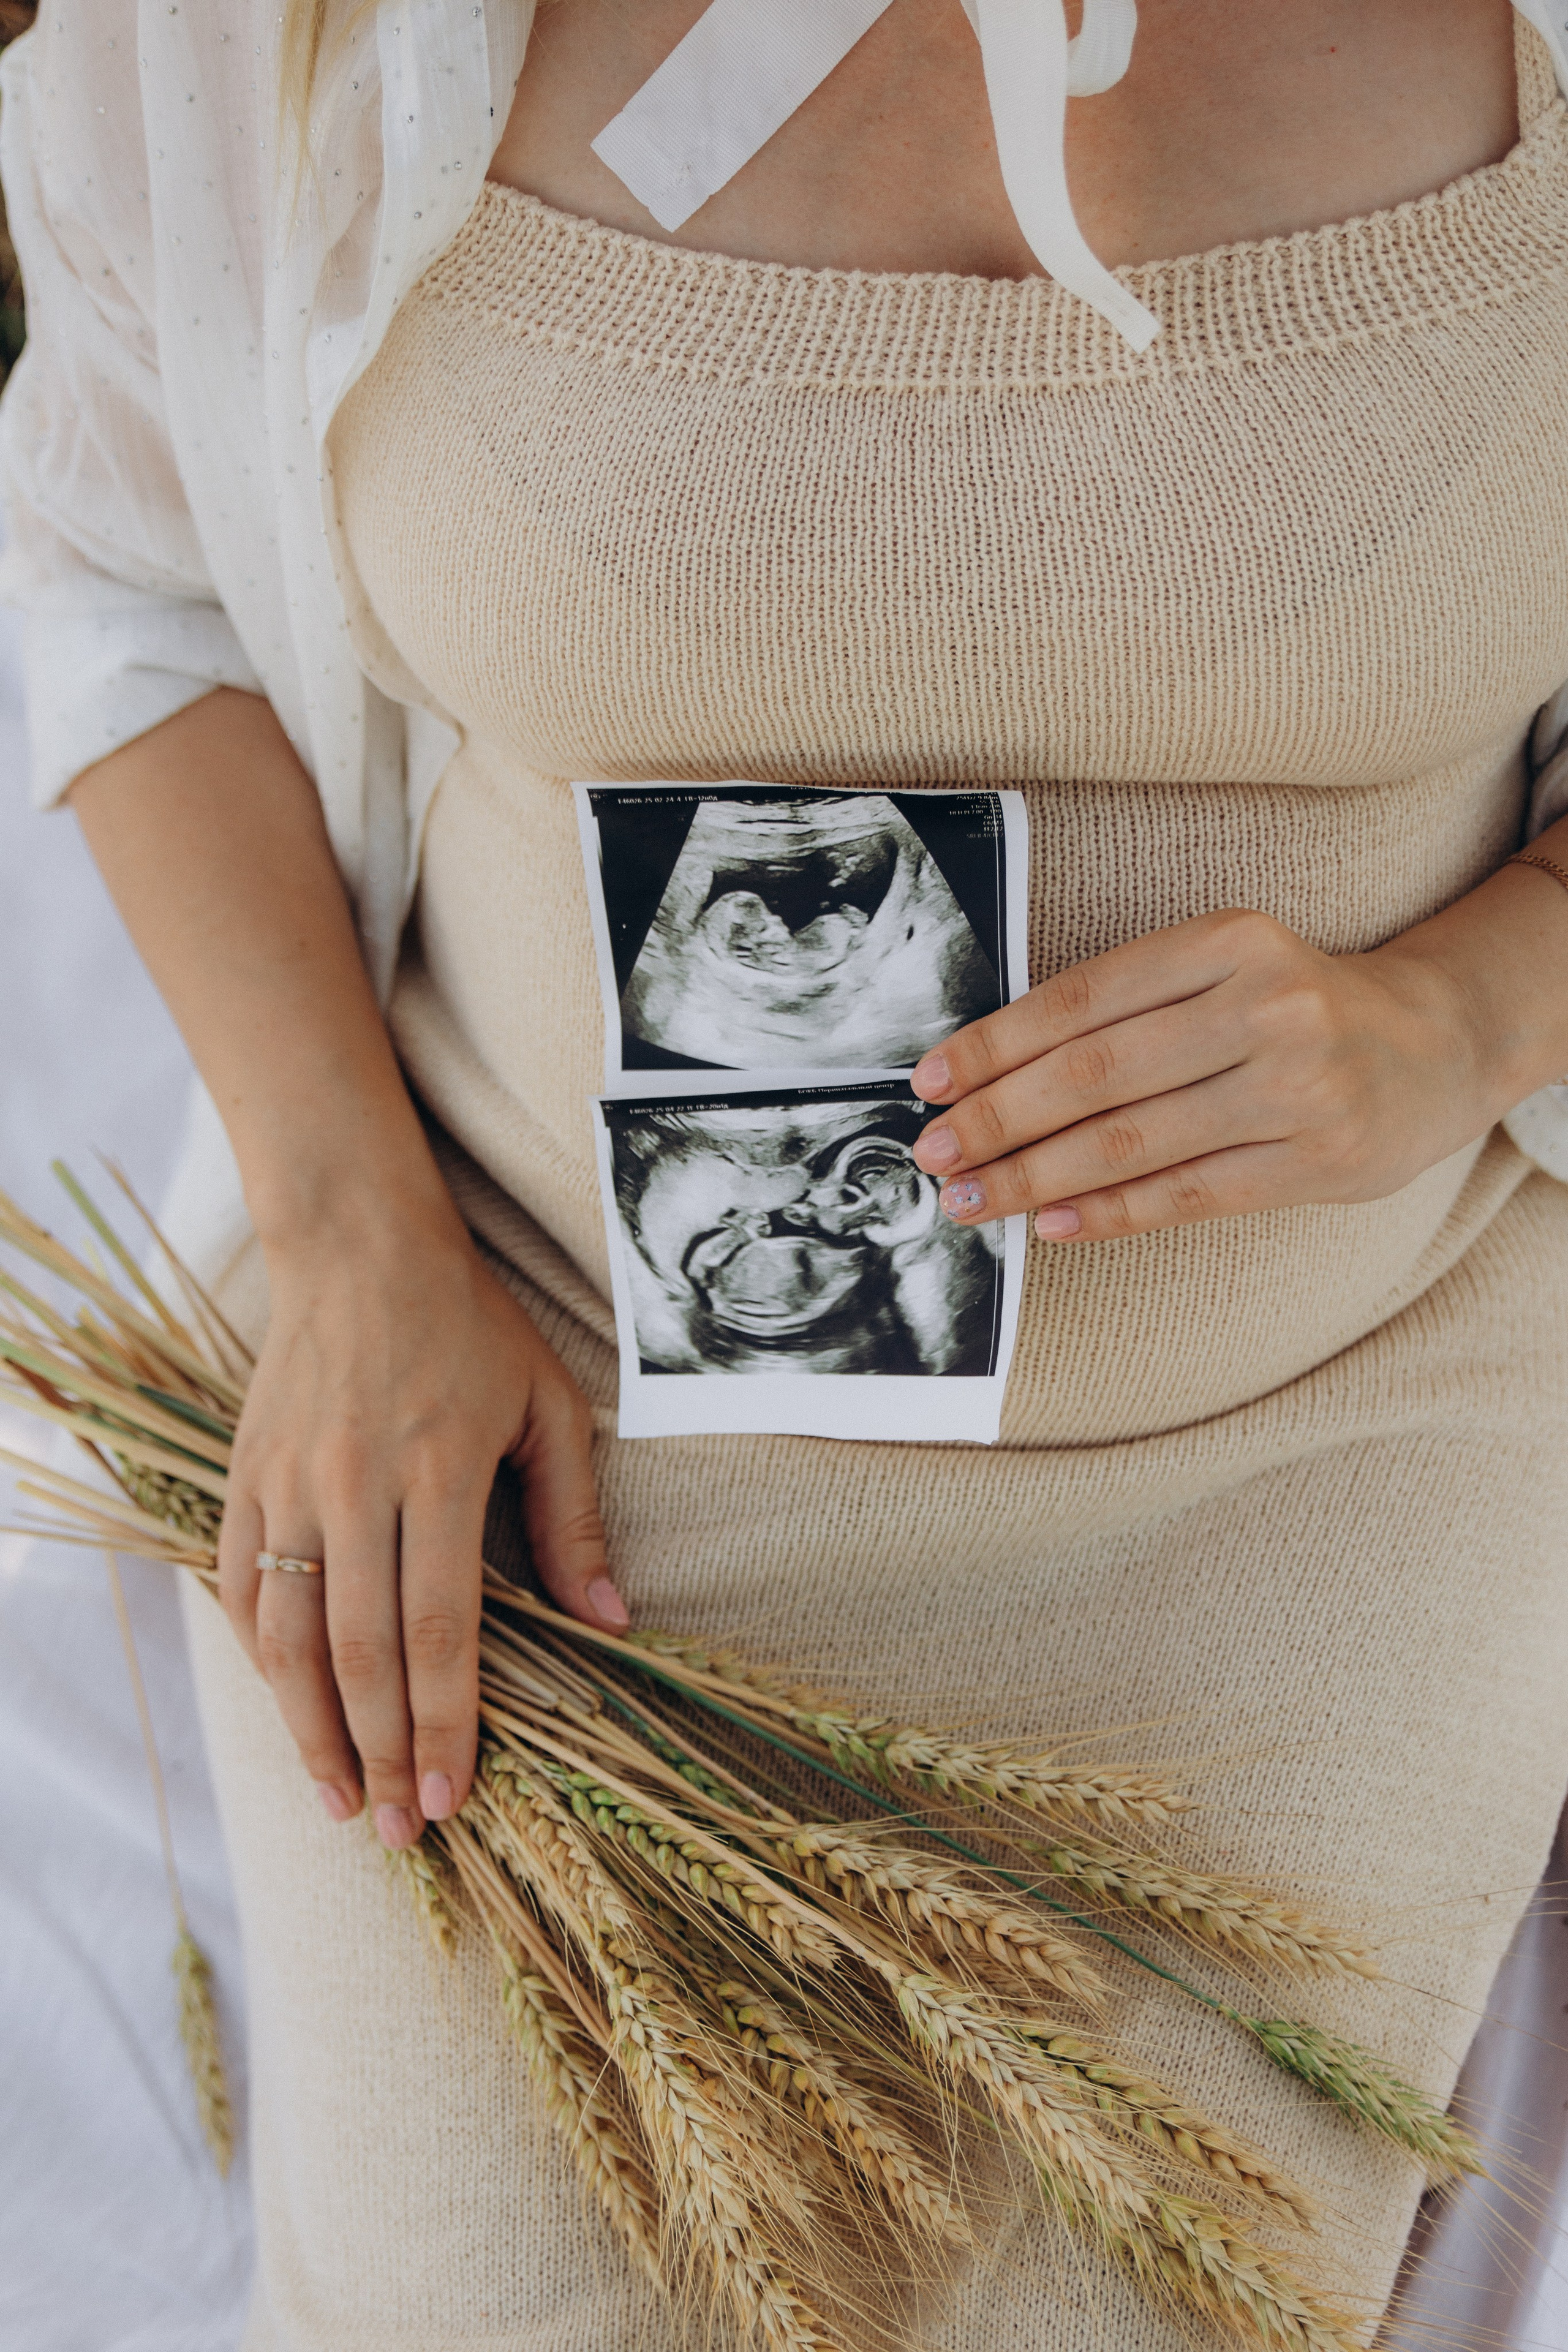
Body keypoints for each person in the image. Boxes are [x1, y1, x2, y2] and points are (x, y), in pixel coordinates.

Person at [6, 2, 1568, 2344]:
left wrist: (1470, 1009)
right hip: (544, 1421)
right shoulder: (279, 35)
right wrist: (345, 1236)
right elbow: (133, 587)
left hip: (1331, 1447)